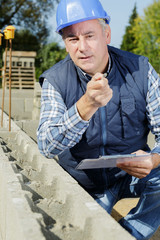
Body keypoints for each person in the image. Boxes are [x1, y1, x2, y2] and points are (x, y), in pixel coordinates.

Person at [37, 0, 160, 239]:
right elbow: (46, 145)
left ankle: (131, 232)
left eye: (90, 35)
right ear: (65, 44)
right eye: (73, 39)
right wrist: (86, 106)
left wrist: (154, 159)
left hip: (132, 176)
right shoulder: (56, 80)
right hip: (84, 185)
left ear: (106, 34)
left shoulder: (141, 70)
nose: (82, 47)